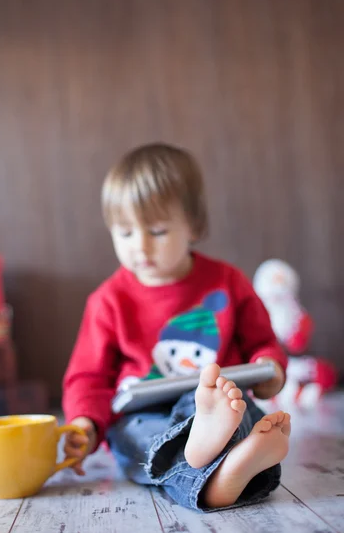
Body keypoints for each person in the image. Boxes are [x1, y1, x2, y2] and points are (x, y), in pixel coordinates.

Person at [62, 143, 291, 511]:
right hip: (143, 414)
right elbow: (87, 377)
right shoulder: (108, 300)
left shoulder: (227, 283)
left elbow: (262, 343)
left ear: (194, 226)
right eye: (124, 233)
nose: (140, 246)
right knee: (139, 440)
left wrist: (270, 370)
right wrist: (85, 424)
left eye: (156, 231)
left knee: (238, 411)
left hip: (218, 400)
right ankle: (225, 468)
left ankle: (221, 456)